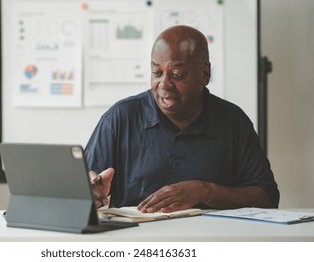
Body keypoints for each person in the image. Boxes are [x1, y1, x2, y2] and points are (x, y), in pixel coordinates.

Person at [85, 25, 279, 213]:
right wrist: (90, 193)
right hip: (140, 242)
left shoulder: (233, 121)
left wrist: (205, 191)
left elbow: (267, 198)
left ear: (205, 74)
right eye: (157, 73)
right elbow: (80, 189)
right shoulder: (121, 117)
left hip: (212, 241)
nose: (164, 84)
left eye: (177, 75)